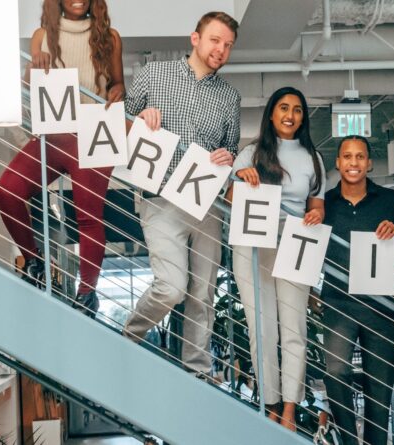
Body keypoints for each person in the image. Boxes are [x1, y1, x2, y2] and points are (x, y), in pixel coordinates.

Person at [120, 12, 241, 380]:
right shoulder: (153, 75)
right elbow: (119, 124)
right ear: (195, 38)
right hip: (159, 197)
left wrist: (228, 157)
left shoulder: (230, 97)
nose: (221, 49)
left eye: (228, 45)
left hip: (205, 201)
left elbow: (229, 148)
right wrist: (139, 117)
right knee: (172, 288)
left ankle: (197, 374)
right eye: (215, 40)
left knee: (202, 294)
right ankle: (126, 338)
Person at [0, 0, 124, 317]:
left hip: (94, 133)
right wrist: (33, 67)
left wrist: (117, 90)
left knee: (88, 217)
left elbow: (119, 82)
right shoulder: (42, 34)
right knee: (7, 190)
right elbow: (28, 84)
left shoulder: (110, 37)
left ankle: (87, 294)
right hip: (55, 131)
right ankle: (34, 259)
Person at [227, 86, 326, 431]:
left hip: (297, 243)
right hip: (254, 244)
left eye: (297, 109)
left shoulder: (313, 157)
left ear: (303, 117)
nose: (290, 114)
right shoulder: (251, 153)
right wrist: (241, 178)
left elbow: (317, 204)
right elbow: (228, 196)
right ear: (271, 113)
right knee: (262, 328)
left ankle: (288, 409)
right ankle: (268, 402)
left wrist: (315, 216)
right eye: (284, 108)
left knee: (294, 329)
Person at [321, 135, 394, 445]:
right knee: (334, 372)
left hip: (381, 305)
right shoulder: (325, 203)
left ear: (369, 163)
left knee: (380, 386)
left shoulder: (390, 200)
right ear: (338, 162)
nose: (353, 163)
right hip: (338, 302)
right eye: (347, 156)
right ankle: (348, 441)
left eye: (360, 157)